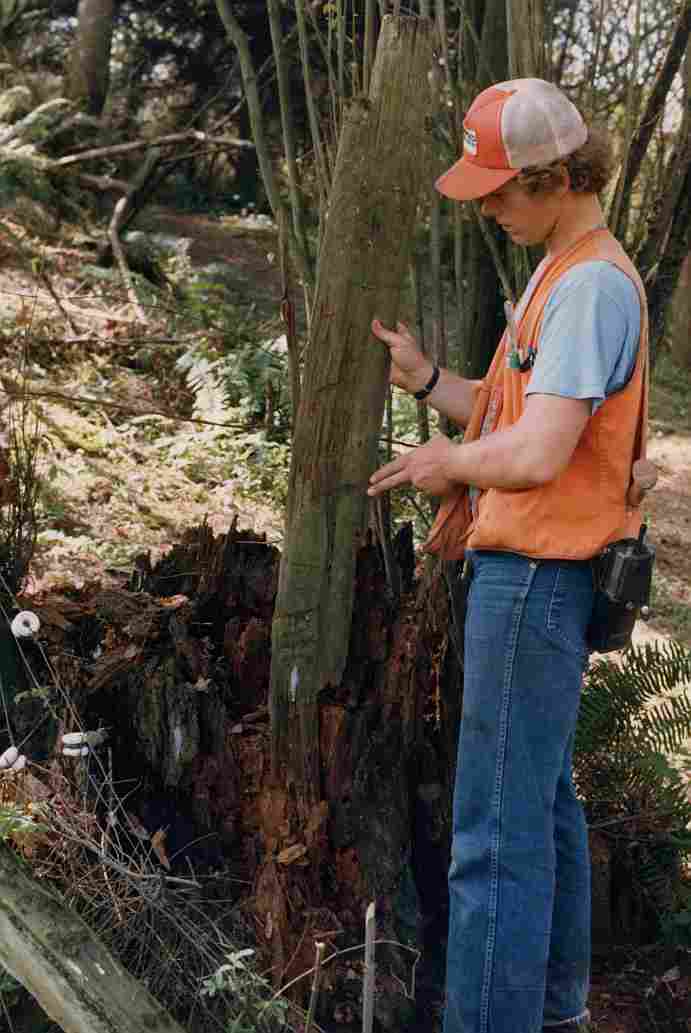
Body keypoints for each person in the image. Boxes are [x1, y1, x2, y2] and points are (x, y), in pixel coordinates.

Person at [367, 78, 650, 1033]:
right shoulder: (559, 273)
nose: (488, 208)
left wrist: (443, 461)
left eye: (498, 191)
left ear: (556, 177)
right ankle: (557, 1008)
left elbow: (531, 456)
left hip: (534, 578)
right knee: (543, 804)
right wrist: (433, 383)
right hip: (543, 573)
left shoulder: (589, 288)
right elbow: (516, 417)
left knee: (493, 828)